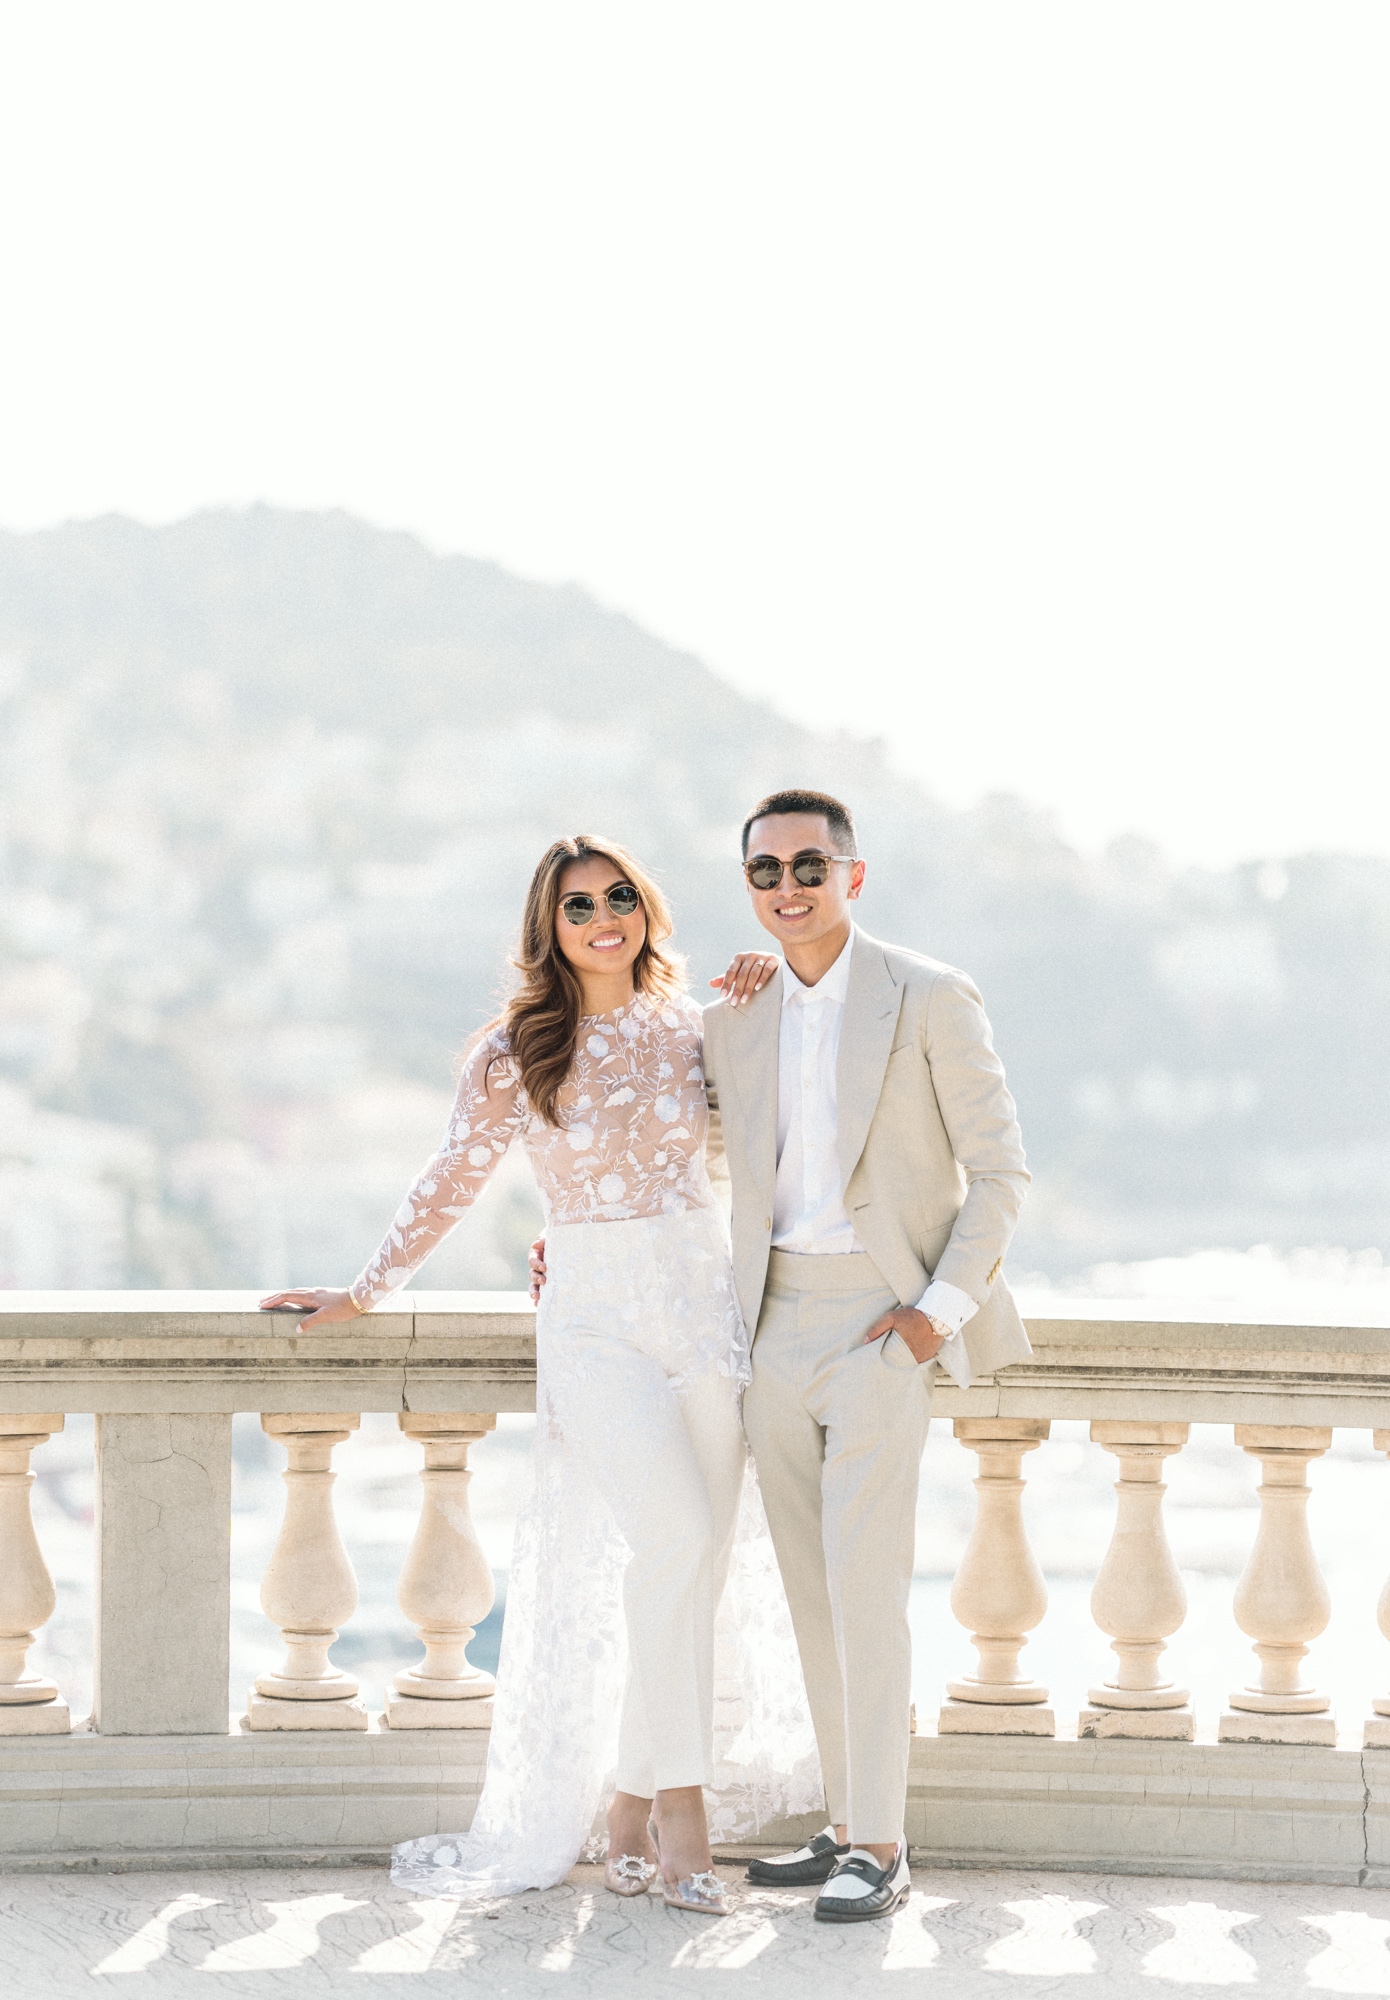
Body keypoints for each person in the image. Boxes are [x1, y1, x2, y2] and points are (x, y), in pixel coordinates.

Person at [261, 833, 817, 1914]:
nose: (603, 916)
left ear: (646, 908)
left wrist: (769, 984)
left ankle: (626, 1797)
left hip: (701, 1309)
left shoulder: (694, 1028)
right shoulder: (518, 1048)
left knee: (692, 1568)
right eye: (578, 905)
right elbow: (451, 1174)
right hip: (596, 1321)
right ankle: (678, 1817)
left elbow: (769, 1131)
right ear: (548, 927)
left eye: (619, 896)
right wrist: (366, 1288)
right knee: (675, 1536)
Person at [701, 787, 1031, 1922]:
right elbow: (688, 1157)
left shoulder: (930, 993)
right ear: (746, 886)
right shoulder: (733, 1011)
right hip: (768, 1321)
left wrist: (935, 1310)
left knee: (866, 1584)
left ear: (853, 872)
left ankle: (881, 1847)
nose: (786, 887)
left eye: (807, 864)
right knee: (808, 1588)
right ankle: (845, 1820)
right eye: (764, 871)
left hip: (883, 1322)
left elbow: (1000, 1173)